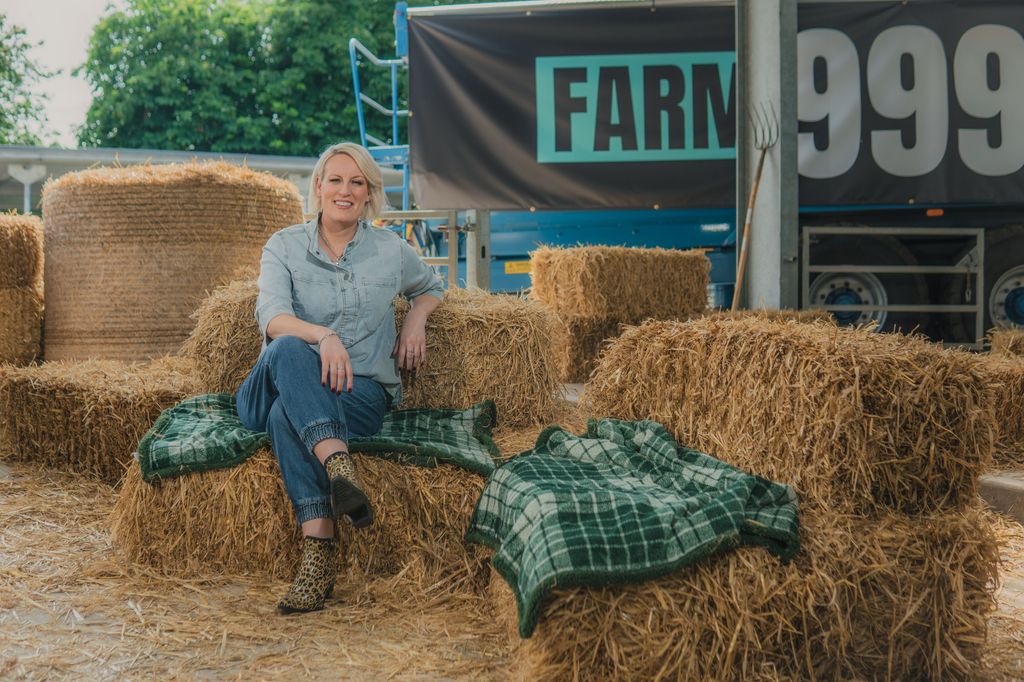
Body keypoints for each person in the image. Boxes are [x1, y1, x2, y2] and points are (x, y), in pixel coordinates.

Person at [235, 142, 443, 613]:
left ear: (370, 195)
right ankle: (339, 466)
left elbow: (432, 286)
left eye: (357, 183)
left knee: (285, 415)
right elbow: (272, 318)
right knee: (289, 348)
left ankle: (318, 551)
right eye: (336, 180)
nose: (345, 191)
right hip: (274, 377)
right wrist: (323, 336)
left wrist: (415, 319)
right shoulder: (284, 245)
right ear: (319, 187)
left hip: (358, 391)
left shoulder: (391, 251)